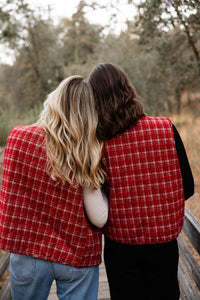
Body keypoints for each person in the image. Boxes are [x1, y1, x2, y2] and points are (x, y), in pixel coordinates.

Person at [88, 63, 194, 300]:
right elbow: (187, 187)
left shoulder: (100, 143)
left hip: (120, 247)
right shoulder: (166, 128)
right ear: (128, 89)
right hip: (163, 243)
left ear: (95, 99)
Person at [0, 75, 109, 300]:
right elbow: (99, 218)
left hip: (28, 252)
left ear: (54, 100)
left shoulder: (18, 138)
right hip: (76, 254)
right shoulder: (87, 150)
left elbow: (10, 194)